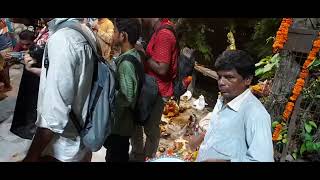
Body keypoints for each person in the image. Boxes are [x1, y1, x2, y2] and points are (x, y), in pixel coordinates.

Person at [23, 18, 95, 162]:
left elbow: (53, 119)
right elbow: (72, 77)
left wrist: (30, 158)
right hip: (81, 140)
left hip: (63, 150)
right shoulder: (82, 30)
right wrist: (37, 70)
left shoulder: (63, 40)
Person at [189, 50, 274, 162]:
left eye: (229, 77)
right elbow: (221, 129)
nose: (221, 82)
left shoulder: (256, 114)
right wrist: (201, 137)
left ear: (247, 79)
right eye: (219, 77)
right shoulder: (223, 99)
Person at [130, 18, 179, 161]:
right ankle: (138, 154)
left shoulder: (164, 34)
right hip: (152, 88)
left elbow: (162, 68)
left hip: (157, 90)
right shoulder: (161, 29)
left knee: (151, 128)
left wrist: (143, 53)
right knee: (139, 122)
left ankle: (147, 157)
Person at [104, 18, 141, 162]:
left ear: (123, 36)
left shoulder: (126, 64)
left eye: (115, 31)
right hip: (124, 126)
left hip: (120, 127)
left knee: (116, 157)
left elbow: (127, 98)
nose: (112, 34)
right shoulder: (134, 55)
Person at [10, 27, 40, 140]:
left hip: (37, 78)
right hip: (27, 77)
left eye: (27, 44)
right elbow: (16, 53)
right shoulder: (22, 46)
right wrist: (14, 57)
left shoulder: (39, 48)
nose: (24, 47)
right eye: (22, 44)